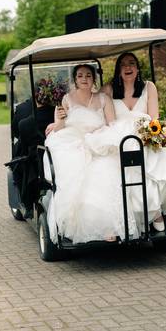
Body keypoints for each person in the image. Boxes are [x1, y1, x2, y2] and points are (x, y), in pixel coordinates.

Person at [88, 51, 166, 233]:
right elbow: (93, 107)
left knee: (155, 159)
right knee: (121, 161)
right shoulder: (108, 89)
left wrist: (152, 134)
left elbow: (154, 117)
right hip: (118, 134)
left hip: (145, 131)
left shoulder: (148, 87)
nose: (128, 67)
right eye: (123, 64)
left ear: (137, 68)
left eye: (132, 63)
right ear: (118, 70)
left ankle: (155, 210)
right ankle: (137, 214)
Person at [43, 63, 123, 243]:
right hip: (74, 142)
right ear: (75, 80)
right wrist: (60, 120)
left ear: (94, 78)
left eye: (88, 75)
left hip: (98, 142)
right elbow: (60, 127)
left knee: (106, 173)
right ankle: (83, 225)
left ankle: (109, 226)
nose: (84, 79)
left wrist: (97, 136)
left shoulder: (103, 99)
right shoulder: (66, 99)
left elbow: (112, 125)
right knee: (78, 175)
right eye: (80, 76)